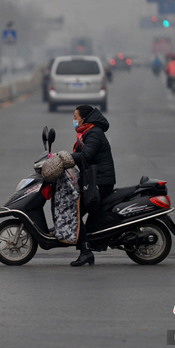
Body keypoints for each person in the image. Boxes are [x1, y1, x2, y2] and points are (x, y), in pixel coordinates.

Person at [69, 104, 116, 266]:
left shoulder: (94, 132)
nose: (74, 121)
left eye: (75, 117)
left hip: (100, 182)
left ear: (84, 118)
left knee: (75, 211)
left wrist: (66, 158)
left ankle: (86, 251)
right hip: (94, 180)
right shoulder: (88, 132)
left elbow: (86, 155)